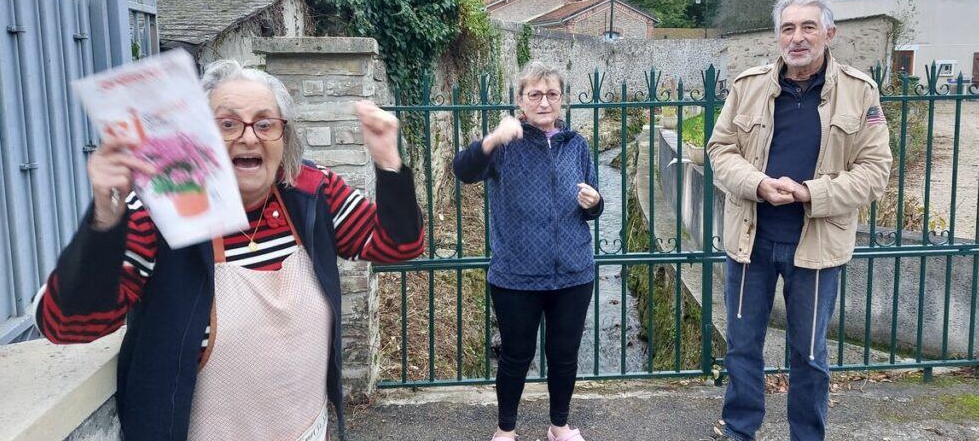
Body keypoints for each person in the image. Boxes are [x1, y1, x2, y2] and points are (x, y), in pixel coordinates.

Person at [33, 60, 424, 440]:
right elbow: (67, 325)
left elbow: (398, 246)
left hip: (307, 428)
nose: (249, 137)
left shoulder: (311, 189)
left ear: (284, 137)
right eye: (228, 124)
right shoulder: (159, 213)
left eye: (265, 124)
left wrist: (389, 161)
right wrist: (104, 220)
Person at [706, 0, 892, 440]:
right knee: (742, 348)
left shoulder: (860, 91)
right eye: (788, 28)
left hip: (817, 246)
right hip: (750, 240)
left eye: (808, 27)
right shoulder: (748, 85)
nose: (797, 37)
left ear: (830, 33)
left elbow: (874, 172)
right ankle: (739, 431)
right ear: (777, 37)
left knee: (808, 354)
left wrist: (811, 193)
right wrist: (756, 184)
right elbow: (720, 150)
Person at [453, 61, 603, 441]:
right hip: (516, 275)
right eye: (534, 94)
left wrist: (594, 202)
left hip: (573, 271)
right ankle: (506, 430)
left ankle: (559, 427)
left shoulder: (578, 145)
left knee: (564, 356)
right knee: (516, 357)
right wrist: (491, 139)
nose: (543, 102)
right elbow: (463, 170)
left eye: (551, 94)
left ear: (562, 100)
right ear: (520, 100)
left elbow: (594, 207)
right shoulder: (505, 146)